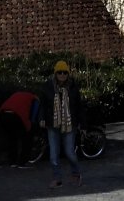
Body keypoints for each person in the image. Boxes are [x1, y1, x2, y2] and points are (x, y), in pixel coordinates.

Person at [39, 59, 85, 188]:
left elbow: (79, 107)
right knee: (53, 154)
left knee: (70, 152)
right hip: (52, 124)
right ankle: (57, 178)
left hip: (70, 124)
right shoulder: (48, 87)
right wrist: (41, 118)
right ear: (55, 73)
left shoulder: (73, 88)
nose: (62, 75)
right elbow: (43, 104)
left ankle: (76, 174)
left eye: (65, 73)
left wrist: (83, 124)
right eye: (60, 72)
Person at [0, 89, 40, 166]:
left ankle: (12, 161)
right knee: (27, 138)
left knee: (12, 138)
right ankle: (22, 161)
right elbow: (33, 117)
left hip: (2, 114)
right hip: (17, 115)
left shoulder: (17, 94)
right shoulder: (34, 99)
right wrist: (31, 125)